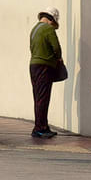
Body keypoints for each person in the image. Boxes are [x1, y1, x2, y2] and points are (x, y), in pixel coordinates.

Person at [28, 8, 65, 139]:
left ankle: (42, 125)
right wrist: (59, 58)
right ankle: (40, 128)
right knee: (44, 98)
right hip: (45, 66)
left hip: (34, 65)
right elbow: (56, 47)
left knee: (38, 98)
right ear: (51, 19)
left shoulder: (34, 29)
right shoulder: (48, 29)